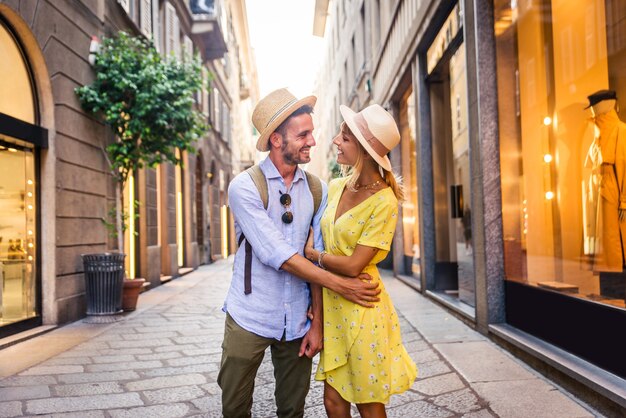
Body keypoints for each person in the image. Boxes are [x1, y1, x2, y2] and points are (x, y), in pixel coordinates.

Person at [219, 88, 381, 418]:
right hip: (250, 313)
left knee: (293, 410)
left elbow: (315, 252)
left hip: (297, 321)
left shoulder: (317, 189)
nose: (313, 141)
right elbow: (276, 253)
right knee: (234, 408)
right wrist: (343, 285)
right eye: (303, 134)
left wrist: (317, 322)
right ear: (276, 140)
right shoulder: (245, 187)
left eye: (312, 132)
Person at [304, 104, 417, 418]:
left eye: (345, 137)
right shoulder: (337, 186)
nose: (336, 141)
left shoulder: (385, 201)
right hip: (334, 304)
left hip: (363, 307)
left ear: (366, 151)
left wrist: (313, 255)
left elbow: (354, 265)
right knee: (333, 402)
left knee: (369, 402)